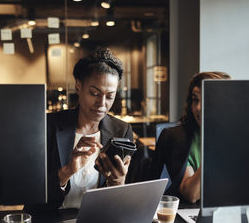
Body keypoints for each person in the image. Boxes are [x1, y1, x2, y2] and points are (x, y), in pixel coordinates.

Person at [46, 48, 133, 209]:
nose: (101, 104)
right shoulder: (50, 125)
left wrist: (118, 182)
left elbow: (124, 203)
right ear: (78, 86)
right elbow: (32, 193)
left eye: (110, 96)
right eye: (94, 93)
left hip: (97, 220)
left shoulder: (122, 130)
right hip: (51, 222)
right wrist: (66, 172)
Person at [154, 71, 231, 203]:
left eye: (207, 100)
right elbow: (191, 194)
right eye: (195, 100)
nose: (198, 107)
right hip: (191, 213)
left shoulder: (237, 136)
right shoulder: (178, 138)